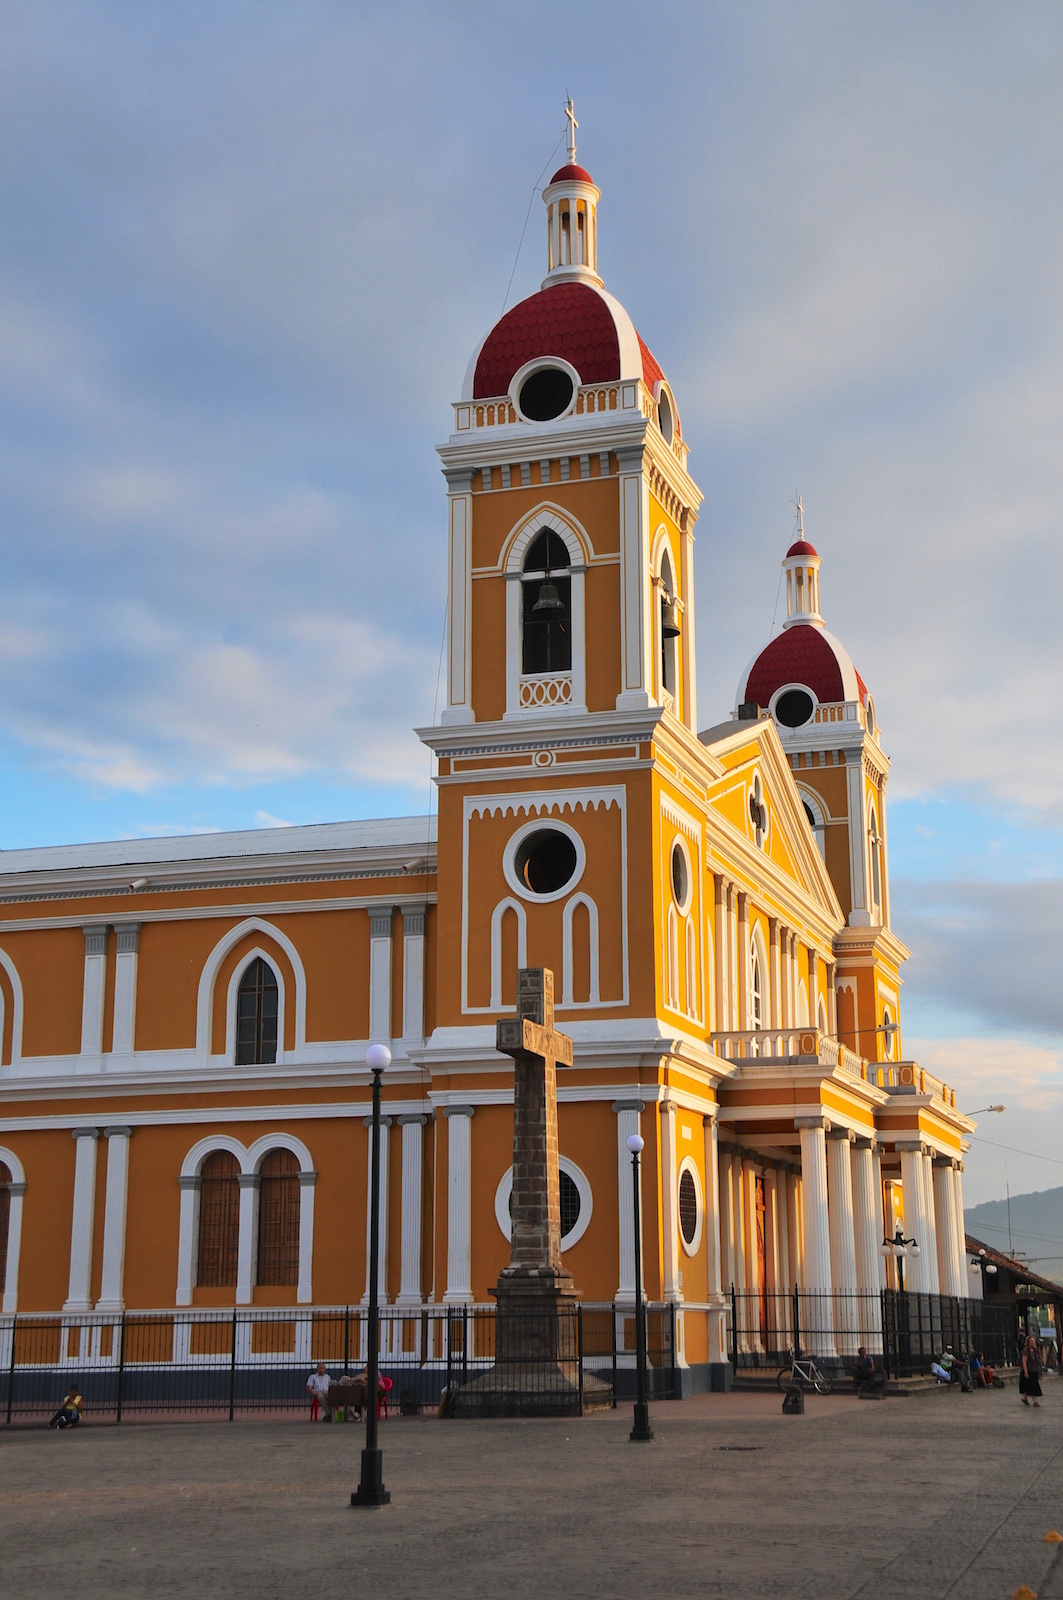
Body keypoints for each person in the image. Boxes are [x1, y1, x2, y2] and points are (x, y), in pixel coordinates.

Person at [1020, 1333, 1043, 1407]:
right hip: (1028, 1370)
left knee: (1029, 1386)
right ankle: (1035, 1401)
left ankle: (1024, 1397)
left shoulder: (1035, 1350)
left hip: (1034, 1370)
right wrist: (1026, 1372)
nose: (1033, 1343)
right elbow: (1024, 1361)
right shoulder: (1025, 1350)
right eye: (1031, 1341)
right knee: (1033, 1386)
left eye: (1033, 1341)